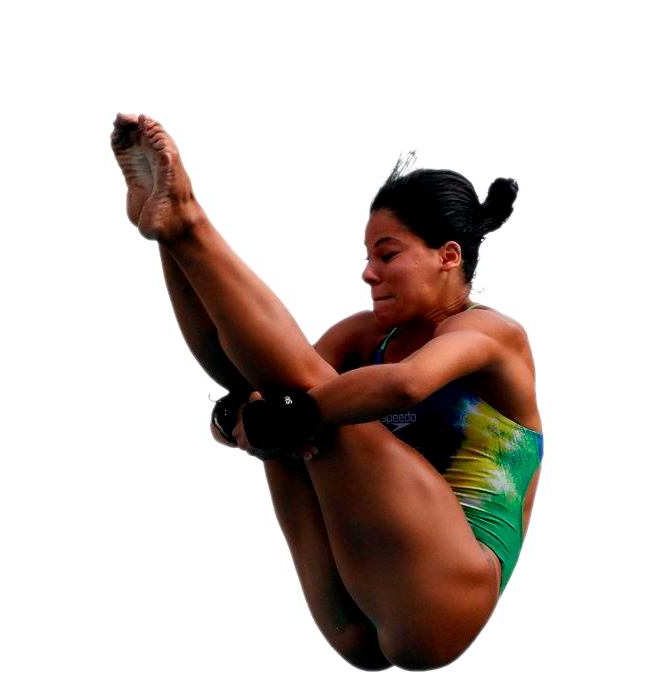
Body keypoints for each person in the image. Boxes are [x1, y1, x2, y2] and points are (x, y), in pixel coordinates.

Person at [108, 111, 545, 674]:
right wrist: (243, 416)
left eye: (387, 255)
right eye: (366, 257)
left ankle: (191, 217)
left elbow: (405, 385)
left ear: (449, 255)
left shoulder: (493, 332)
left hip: (445, 599)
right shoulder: (367, 334)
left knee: (315, 403)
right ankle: (173, 234)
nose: (368, 274)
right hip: (352, 612)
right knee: (286, 394)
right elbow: (257, 379)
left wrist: (281, 414)